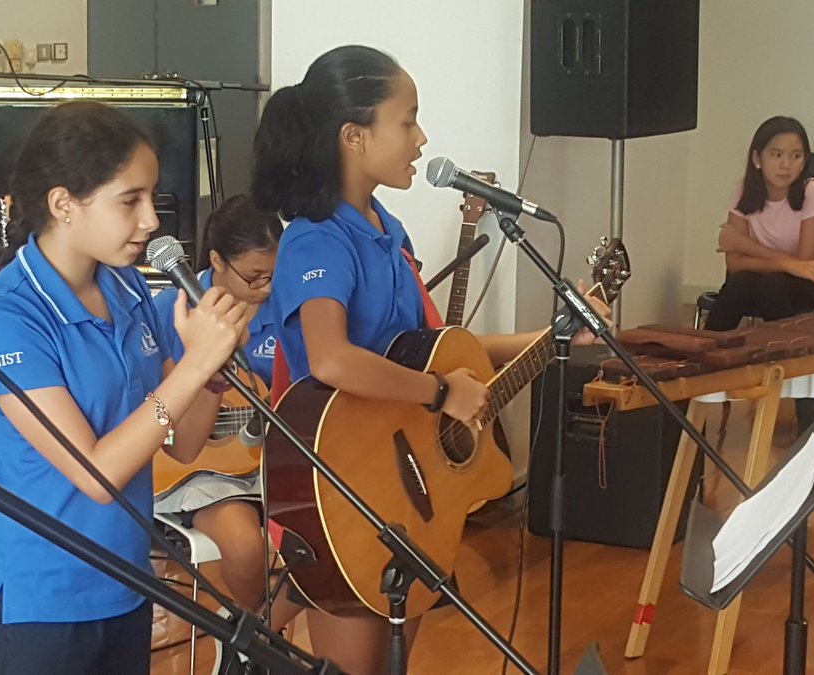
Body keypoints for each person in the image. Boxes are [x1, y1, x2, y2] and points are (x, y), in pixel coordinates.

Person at [251, 45, 607, 674]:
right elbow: (332, 359)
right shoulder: (318, 236)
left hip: (405, 485)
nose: (422, 138)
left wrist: (556, 333)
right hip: (341, 486)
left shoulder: (388, 232)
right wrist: (441, 393)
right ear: (354, 136)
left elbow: (439, 348)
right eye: (408, 120)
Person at [0, 101, 250, 675]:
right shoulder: (5, 317)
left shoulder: (127, 290)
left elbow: (183, 445)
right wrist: (190, 370)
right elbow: (96, 474)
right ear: (64, 204)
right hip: (34, 603)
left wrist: (208, 371)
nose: (152, 221)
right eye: (130, 200)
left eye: (152, 197)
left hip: (123, 584)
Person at [150, 193, 282, 612]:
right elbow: (153, 407)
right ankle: (248, 639)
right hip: (193, 467)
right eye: (254, 276)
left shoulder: (288, 307)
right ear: (217, 261)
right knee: (246, 548)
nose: (266, 289)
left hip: (272, 459)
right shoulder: (168, 310)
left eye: (274, 276)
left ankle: (257, 631)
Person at [705, 116, 814, 331]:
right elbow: (735, 264)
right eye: (776, 155)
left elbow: (806, 262)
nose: (786, 165)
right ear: (757, 158)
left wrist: (744, 245)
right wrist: (787, 264)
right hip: (761, 280)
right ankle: (704, 355)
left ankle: (786, 355)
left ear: (804, 161)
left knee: (771, 285)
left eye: (796, 156)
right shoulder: (743, 189)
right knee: (739, 283)